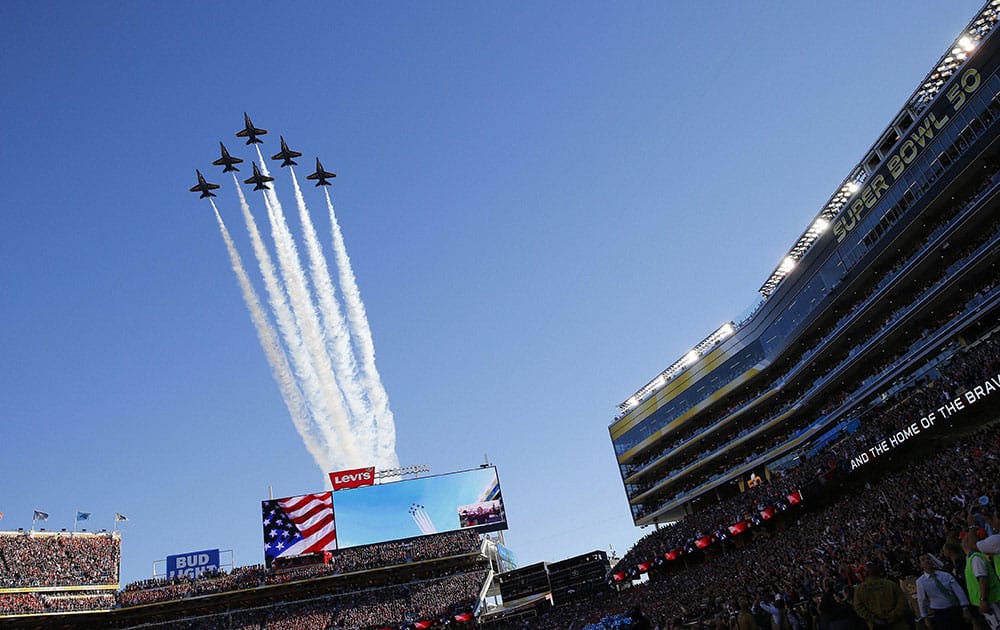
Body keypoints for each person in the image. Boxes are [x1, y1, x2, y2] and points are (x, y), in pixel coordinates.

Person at [915, 553, 972, 629]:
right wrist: (925, 617)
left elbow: (959, 591)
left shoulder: (945, 575)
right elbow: (921, 600)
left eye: (928, 558)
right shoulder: (921, 582)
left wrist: (965, 608)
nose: (927, 561)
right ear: (920, 565)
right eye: (923, 560)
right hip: (940, 613)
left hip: (955, 609)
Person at [852, 560, 908, 630]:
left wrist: (874, 618)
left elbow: (858, 607)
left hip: (875, 625)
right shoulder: (891, 584)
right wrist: (893, 616)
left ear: (865, 574)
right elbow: (902, 602)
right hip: (897, 624)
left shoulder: (860, 589)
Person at [963, 531, 1000, 630]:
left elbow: (982, 579)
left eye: (964, 539)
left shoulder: (975, 558)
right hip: (988, 601)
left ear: (968, 542)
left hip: (991, 601)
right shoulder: (970, 558)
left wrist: (983, 600)